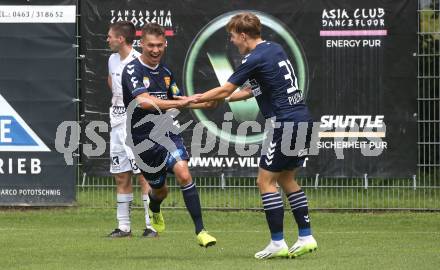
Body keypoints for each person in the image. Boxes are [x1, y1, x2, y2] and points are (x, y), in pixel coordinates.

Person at [190, 12, 318, 259]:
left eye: (232, 37)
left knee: (265, 182)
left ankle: (277, 243)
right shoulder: (274, 49)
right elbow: (250, 91)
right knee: (287, 180)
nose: (232, 41)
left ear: (243, 35)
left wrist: (197, 98)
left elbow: (227, 87)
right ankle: (306, 237)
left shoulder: (252, 58)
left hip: (283, 122)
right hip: (304, 119)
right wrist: (220, 99)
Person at [121, 22, 217, 247]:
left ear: (165, 44)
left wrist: (204, 103)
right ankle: (154, 207)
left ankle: (201, 231)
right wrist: (185, 102)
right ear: (141, 44)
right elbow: (144, 102)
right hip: (142, 141)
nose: (155, 50)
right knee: (160, 190)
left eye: (159, 45)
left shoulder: (166, 73)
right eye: (150, 46)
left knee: (184, 173)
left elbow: (178, 101)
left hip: (166, 132)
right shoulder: (132, 70)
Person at [106, 21, 157, 238]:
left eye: (109, 36)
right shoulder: (112, 59)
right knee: (120, 175)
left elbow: (148, 94)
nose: (107, 39)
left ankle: (151, 226)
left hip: (135, 124)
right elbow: (111, 82)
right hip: (116, 123)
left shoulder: (138, 62)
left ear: (120, 39)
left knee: (144, 175)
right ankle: (124, 227)